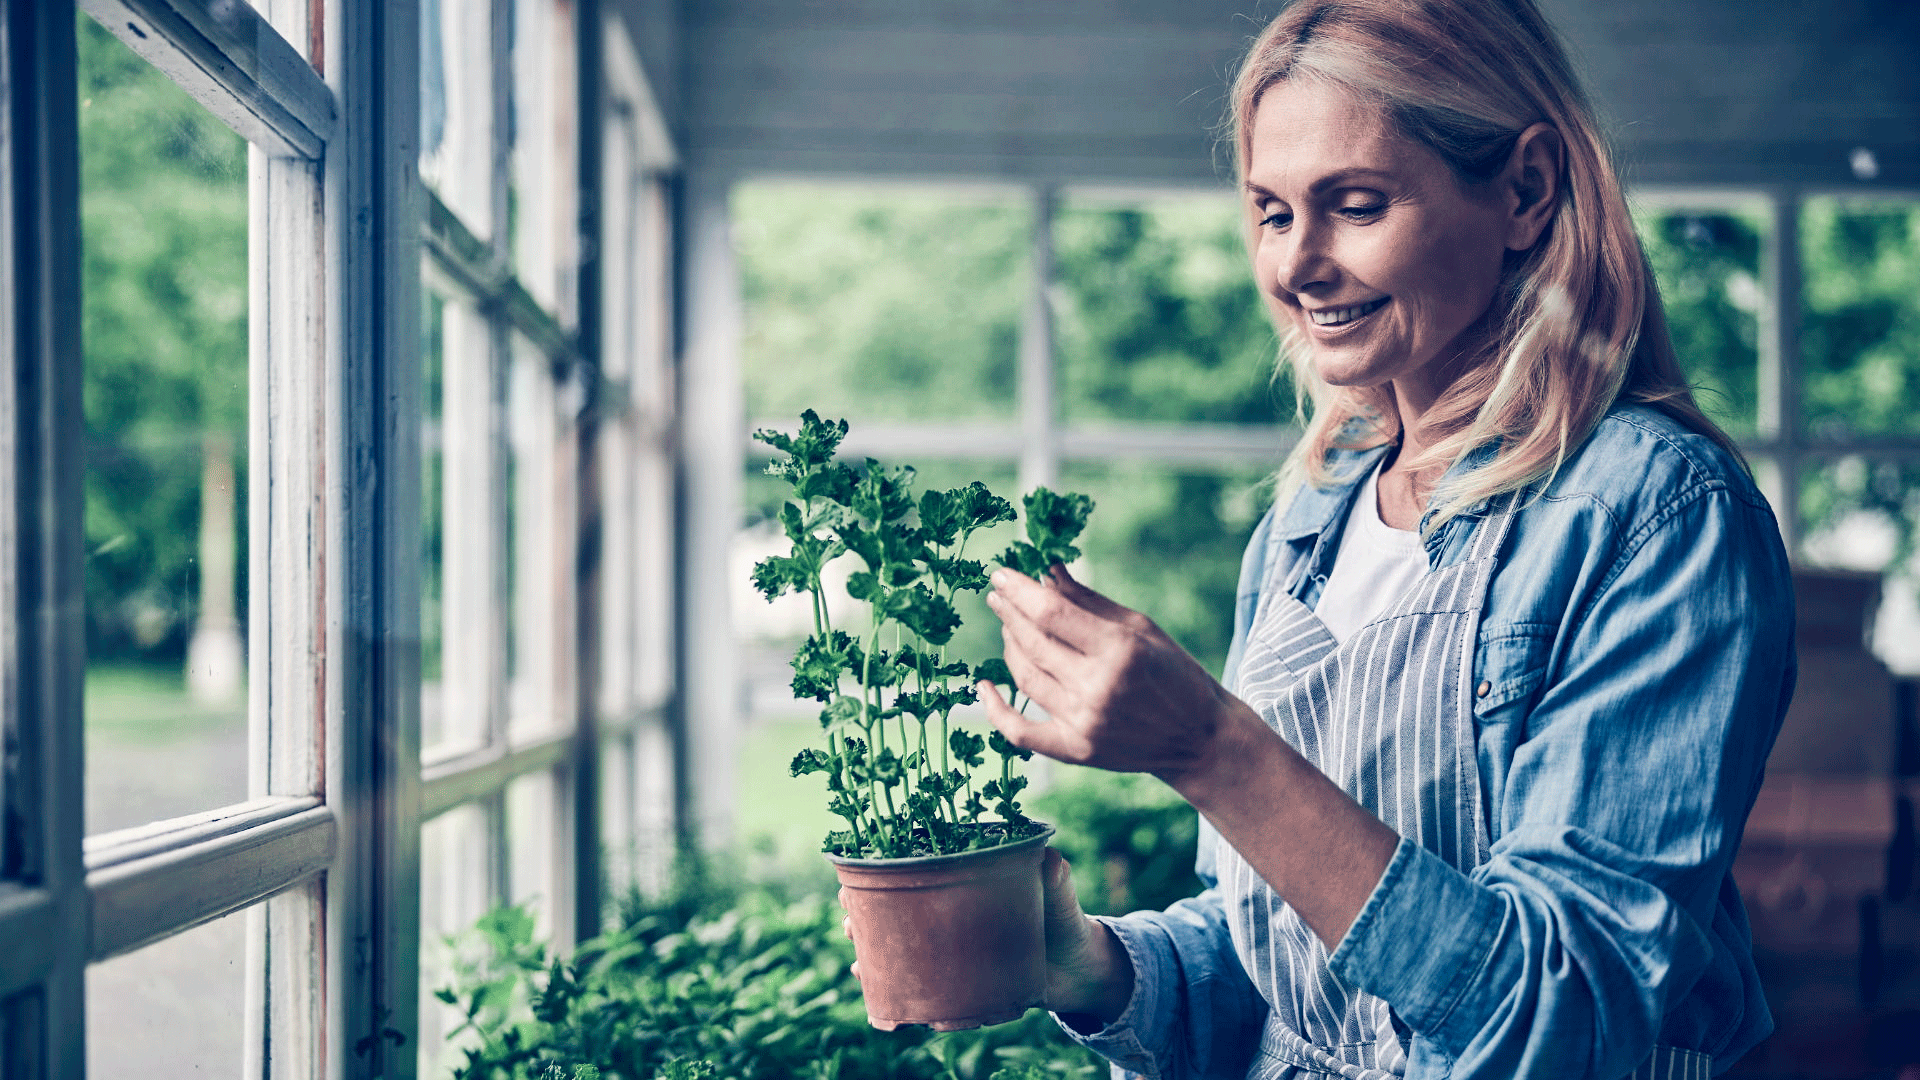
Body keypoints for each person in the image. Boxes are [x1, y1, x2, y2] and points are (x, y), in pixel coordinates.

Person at [974, 0, 1796, 1077]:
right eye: (1272, 214)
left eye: (1354, 206)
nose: (1297, 266)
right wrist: (1086, 966)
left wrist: (1214, 751)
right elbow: (1272, 961)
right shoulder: (1304, 526)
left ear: (1525, 190)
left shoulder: (1655, 514)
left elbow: (1573, 1019)